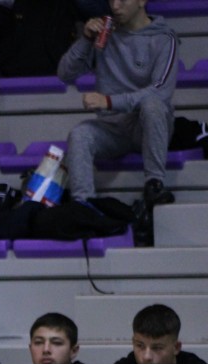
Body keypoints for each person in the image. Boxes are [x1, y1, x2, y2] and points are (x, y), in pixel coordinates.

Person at [57, 0, 178, 245]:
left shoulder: (165, 38)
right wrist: (85, 40)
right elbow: (64, 74)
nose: (115, 5)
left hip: (147, 125)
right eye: (111, 0)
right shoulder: (105, 33)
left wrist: (109, 101)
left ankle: (154, 184)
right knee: (80, 134)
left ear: (142, 1)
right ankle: (83, 207)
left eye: (122, 0)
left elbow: (160, 91)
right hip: (113, 128)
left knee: (153, 105)